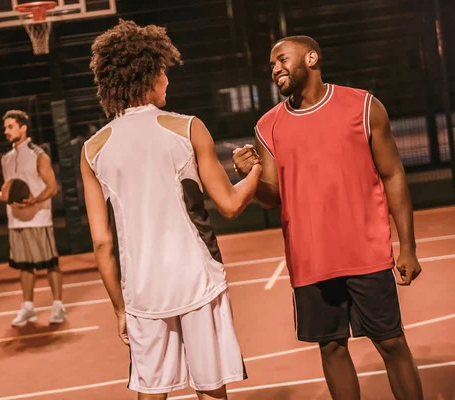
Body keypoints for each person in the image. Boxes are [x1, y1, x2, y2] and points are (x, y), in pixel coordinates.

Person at [233, 36, 424, 400]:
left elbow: (393, 174)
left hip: (365, 253)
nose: (275, 69)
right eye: (271, 65)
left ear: (312, 58)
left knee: (392, 343)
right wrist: (252, 179)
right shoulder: (268, 126)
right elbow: (273, 197)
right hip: (311, 261)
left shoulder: (363, 106)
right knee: (331, 348)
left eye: (282, 60)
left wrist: (408, 247)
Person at [82, 20, 262, 399]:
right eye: (163, 71)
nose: (168, 80)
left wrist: (120, 308)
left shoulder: (93, 149)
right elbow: (229, 204)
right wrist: (256, 172)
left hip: (142, 289)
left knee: (152, 390)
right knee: (210, 387)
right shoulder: (188, 128)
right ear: (148, 74)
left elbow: (102, 243)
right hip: (197, 276)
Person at [0, 110, 66, 327]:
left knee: (51, 264)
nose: (6, 131)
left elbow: (52, 188)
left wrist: (35, 200)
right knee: (24, 267)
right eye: (5, 127)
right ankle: (28, 308)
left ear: (23, 127)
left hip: (39, 219)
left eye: (10, 126)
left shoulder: (39, 155)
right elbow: (10, 191)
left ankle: (58, 306)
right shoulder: (5, 159)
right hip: (15, 221)